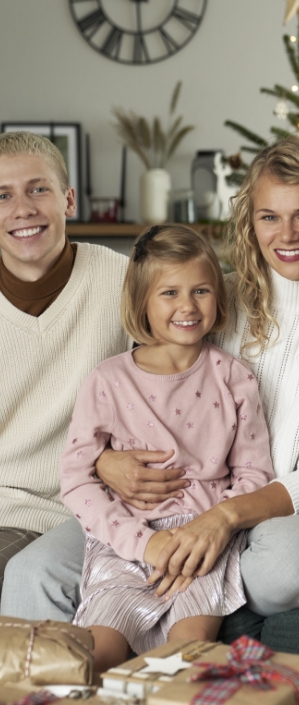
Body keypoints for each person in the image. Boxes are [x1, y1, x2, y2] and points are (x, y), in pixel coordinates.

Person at [3, 136, 299, 621]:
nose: (286, 234)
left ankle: (180, 596)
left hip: (277, 509)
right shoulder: (211, 303)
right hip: (158, 506)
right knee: (32, 571)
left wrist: (218, 521)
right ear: (251, 224)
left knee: (288, 570)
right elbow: (137, 396)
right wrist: (105, 464)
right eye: (269, 217)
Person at [61, 226, 274, 671]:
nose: (187, 306)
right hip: (126, 539)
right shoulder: (108, 380)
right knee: (98, 656)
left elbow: (254, 473)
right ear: (142, 302)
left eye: (201, 291)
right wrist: (146, 543)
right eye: (169, 293)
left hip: (204, 541)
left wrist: (207, 535)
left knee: (185, 659)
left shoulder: (235, 378)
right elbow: (76, 478)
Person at [0, 132, 128, 606]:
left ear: (69, 199)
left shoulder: (123, 282)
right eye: (3, 195)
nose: (23, 208)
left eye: (39, 189)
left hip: (86, 507)